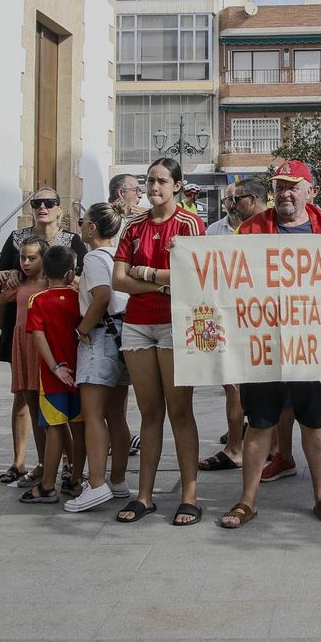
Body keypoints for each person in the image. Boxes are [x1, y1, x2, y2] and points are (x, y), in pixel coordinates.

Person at [220, 161, 321, 528]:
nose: (285, 192)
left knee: (315, 421)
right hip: (263, 341)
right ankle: (247, 501)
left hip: (312, 342)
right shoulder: (248, 231)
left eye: (294, 186)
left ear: (312, 192)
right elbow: (226, 276)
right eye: (280, 186)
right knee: (260, 423)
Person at [113, 157, 205, 525]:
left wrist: (149, 273)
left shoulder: (189, 224)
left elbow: (195, 273)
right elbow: (119, 279)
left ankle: (190, 496)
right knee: (149, 413)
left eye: (162, 181)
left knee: (180, 411)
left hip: (174, 324)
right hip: (137, 324)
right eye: (149, 181)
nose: (154, 187)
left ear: (177, 186)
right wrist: (165, 281)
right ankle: (144, 495)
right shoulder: (133, 225)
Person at [0, 189, 83, 485]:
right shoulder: (17, 238)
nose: (42, 207)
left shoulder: (72, 240)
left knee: (56, 403)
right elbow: (1, 274)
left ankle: (64, 465)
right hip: (21, 328)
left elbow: (80, 281)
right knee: (24, 398)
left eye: (49, 203)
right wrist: (10, 275)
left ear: (60, 208)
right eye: (37, 203)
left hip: (54, 332)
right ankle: (21, 461)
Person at [67, 202, 134, 513]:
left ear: (92, 228)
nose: (80, 225)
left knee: (92, 411)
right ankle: (118, 479)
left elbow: (102, 295)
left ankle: (95, 483)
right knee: (116, 412)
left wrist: (82, 327)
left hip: (101, 334)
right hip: (124, 332)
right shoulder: (116, 254)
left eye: (83, 221)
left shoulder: (93, 257)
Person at [198, 177, 264, 472]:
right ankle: (235, 446)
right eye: (229, 199)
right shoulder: (214, 230)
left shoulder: (269, 229)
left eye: (237, 198)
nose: (232, 203)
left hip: (261, 318)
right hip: (228, 315)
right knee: (232, 385)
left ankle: (269, 446)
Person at [21, 244, 84, 505]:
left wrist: (55, 367)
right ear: (71, 273)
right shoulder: (79, 299)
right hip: (80, 373)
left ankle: (48, 484)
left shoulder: (38, 300)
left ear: (45, 271)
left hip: (52, 377)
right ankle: (77, 478)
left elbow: (38, 336)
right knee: (79, 427)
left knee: (54, 429)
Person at [0, 238, 46, 486]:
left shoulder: (50, 283)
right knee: (31, 407)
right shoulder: (19, 283)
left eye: (32, 258)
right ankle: (42, 462)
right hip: (22, 344)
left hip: (43, 346)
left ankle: (61, 463)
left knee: (52, 409)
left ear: (44, 259)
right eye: (22, 257)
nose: (25, 262)